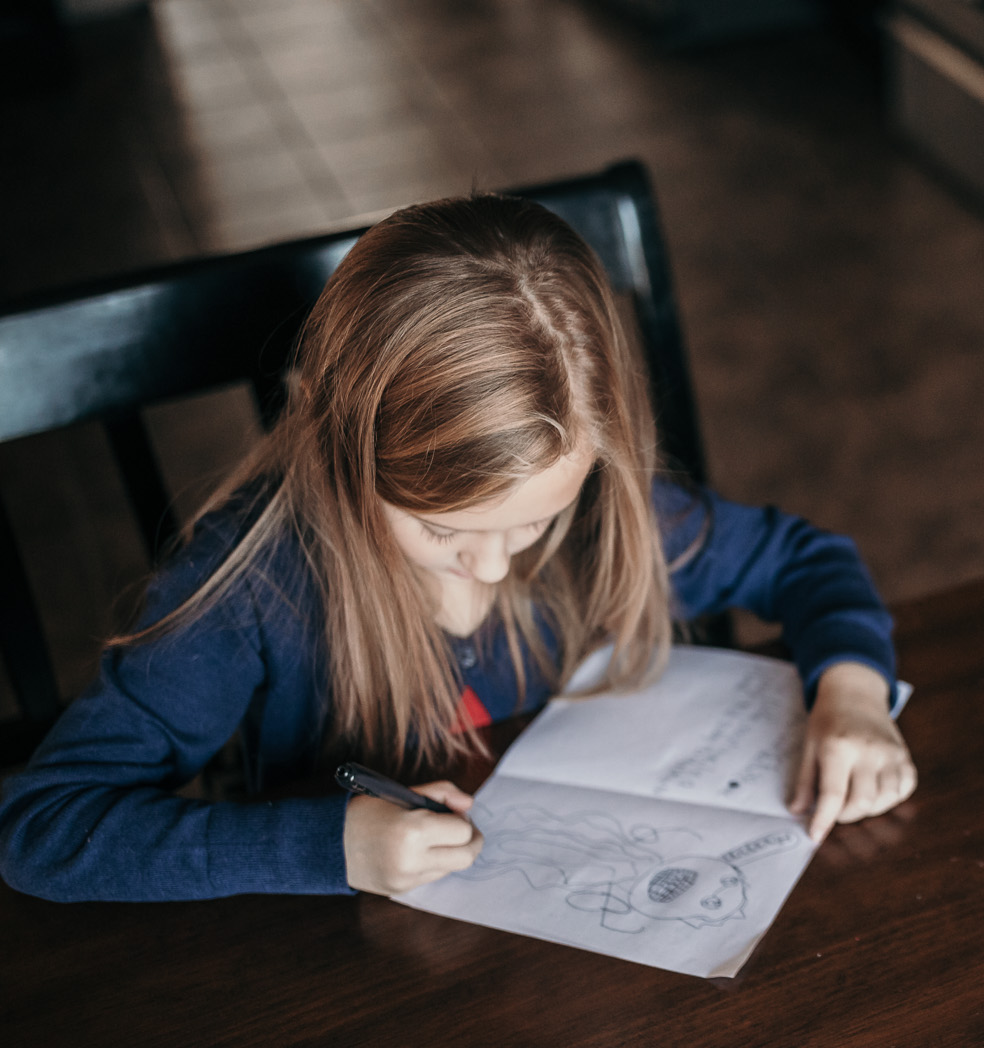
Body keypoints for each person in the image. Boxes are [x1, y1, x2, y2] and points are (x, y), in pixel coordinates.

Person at [0, 194, 914, 903]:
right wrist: (334, 846)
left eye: (528, 525)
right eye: (443, 531)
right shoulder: (253, 586)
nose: (493, 566)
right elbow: (44, 825)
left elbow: (806, 559)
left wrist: (854, 690)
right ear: (341, 449)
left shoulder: (598, 512)